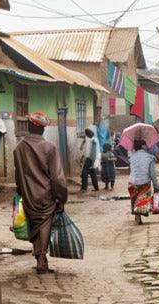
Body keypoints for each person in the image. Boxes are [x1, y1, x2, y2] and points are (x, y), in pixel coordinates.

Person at [13, 112, 69, 274]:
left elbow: (18, 175)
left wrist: (21, 192)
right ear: (43, 130)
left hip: (27, 195)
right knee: (44, 225)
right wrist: (62, 198)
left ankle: (39, 256)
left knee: (36, 226)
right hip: (46, 196)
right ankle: (42, 258)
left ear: (29, 128)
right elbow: (58, 178)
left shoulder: (19, 149)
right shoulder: (49, 148)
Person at [127, 138, 159, 225]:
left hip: (132, 183)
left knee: (134, 199)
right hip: (144, 183)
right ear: (144, 147)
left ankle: (137, 215)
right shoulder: (150, 158)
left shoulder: (131, 157)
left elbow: (132, 171)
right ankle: (139, 214)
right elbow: (152, 174)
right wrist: (156, 187)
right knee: (142, 200)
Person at [79, 126, 100, 192]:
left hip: (90, 159)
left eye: (87, 134)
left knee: (84, 173)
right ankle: (96, 188)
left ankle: (84, 188)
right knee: (92, 173)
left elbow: (93, 152)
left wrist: (92, 162)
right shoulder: (92, 139)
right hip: (91, 159)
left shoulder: (93, 140)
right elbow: (85, 149)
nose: (86, 135)